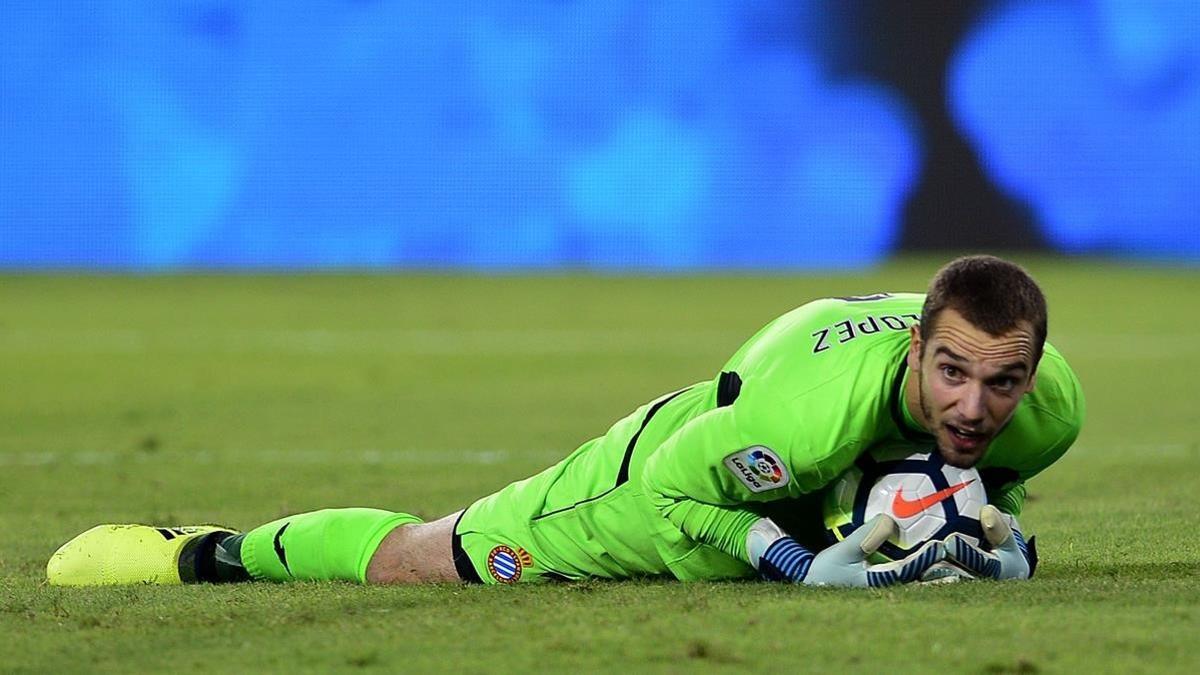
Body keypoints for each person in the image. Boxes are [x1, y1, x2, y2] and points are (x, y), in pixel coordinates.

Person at [47, 255, 1084, 588]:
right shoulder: (802, 418)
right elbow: (684, 489)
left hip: (807, 485)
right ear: (916, 352)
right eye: (951, 374)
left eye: (1002, 382)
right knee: (432, 559)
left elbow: (1001, 468)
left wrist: (1003, 529)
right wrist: (792, 565)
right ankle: (207, 555)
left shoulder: (1046, 409)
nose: (973, 406)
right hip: (661, 477)